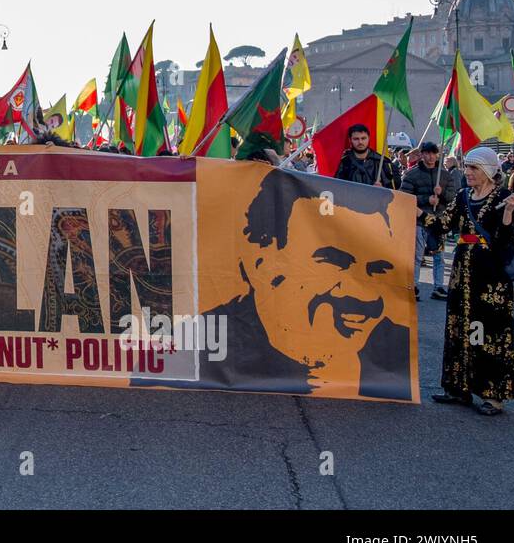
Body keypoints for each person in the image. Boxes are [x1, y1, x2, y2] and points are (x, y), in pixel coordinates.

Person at [135, 168, 412, 400]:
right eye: (334, 262)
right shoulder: (178, 350)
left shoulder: (395, 349)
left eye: (376, 270)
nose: (359, 293)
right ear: (260, 264)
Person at [426, 146, 514, 415]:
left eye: (474, 168)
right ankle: (459, 389)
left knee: (488, 331)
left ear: (489, 171)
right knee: (460, 328)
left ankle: (493, 397)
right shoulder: (463, 195)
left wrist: (508, 214)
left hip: (491, 277)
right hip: (462, 274)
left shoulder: (505, 197)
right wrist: (422, 211)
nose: (467, 172)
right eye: (467, 166)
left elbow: (506, 241)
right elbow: (443, 224)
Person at [401, 141, 450, 300]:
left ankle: (439, 287)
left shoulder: (444, 174)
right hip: (419, 221)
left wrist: (441, 193)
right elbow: (404, 197)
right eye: (427, 153)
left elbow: (453, 197)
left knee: (439, 256)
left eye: (433, 153)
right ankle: (413, 286)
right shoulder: (411, 174)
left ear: (437, 154)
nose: (430, 157)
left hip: (438, 222)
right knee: (417, 256)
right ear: (421, 154)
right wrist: (425, 199)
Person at [334, 123, 399, 188]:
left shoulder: (382, 162)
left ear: (369, 138)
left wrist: (382, 189)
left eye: (363, 138)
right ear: (350, 140)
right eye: (356, 139)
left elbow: (395, 188)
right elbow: (337, 188)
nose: (360, 142)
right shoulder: (344, 163)